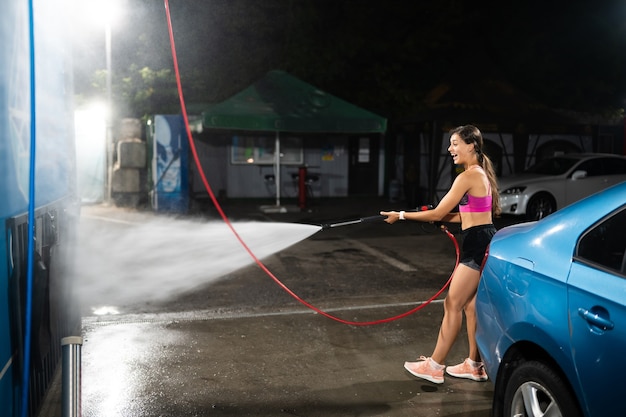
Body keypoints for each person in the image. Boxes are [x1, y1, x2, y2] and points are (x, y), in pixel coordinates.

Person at [380, 124, 501, 384]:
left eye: (455, 143)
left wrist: (400, 215)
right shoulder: (478, 174)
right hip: (481, 239)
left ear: (471, 145)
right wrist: (445, 219)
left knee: (452, 303)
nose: (450, 149)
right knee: (470, 306)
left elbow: (437, 212)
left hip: (477, 244)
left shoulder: (467, 176)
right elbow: (467, 215)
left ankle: (435, 367)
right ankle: (475, 364)